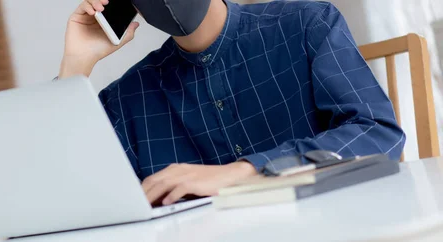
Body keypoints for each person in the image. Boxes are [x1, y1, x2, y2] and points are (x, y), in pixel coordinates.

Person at [57, 0, 405, 206]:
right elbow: (70, 201)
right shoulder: (126, 99)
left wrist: (245, 172)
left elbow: (377, 134)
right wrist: (77, 64)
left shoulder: (306, 25)